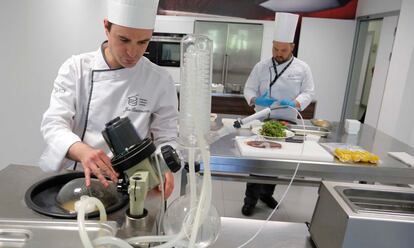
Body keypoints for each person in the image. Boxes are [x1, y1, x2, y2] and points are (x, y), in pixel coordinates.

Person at [39, 0, 177, 198]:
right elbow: (53, 124)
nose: (133, 52)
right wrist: (82, 151)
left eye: (143, 42)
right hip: (80, 180)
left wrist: (162, 164)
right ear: (106, 27)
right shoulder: (76, 69)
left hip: (135, 185)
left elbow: (167, 136)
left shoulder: (159, 80)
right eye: (124, 40)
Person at [242, 12, 315, 216]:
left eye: (283, 49)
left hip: (287, 121)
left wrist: (296, 102)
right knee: (258, 159)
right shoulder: (262, 66)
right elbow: (248, 89)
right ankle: (250, 199)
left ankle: (267, 194)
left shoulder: (302, 68)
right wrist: (256, 100)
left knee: (277, 161)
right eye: (275, 48)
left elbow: (309, 92)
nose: (278, 53)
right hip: (262, 119)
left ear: (292, 47)